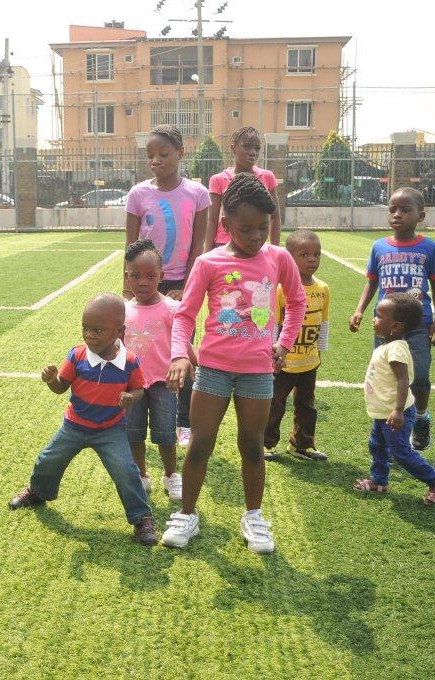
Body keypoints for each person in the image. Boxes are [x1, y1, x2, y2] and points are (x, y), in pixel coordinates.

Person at [161, 173, 306, 553]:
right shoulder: (208, 263)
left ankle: (254, 516)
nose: (257, 236)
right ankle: (187, 514)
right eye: (245, 228)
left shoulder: (279, 258)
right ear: (225, 226)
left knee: (252, 444)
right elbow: (185, 315)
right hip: (213, 371)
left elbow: (296, 302)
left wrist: (284, 343)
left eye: (263, 227)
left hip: (258, 372)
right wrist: (180, 353)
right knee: (200, 443)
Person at [8, 293, 158, 547]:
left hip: (110, 429)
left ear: (119, 331)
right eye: (85, 328)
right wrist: (51, 380)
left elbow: (139, 389)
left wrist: (130, 398)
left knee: (126, 470)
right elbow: (60, 387)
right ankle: (38, 492)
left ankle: (141, 517)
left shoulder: (130, 361)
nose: (89, 335)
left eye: (98, 330)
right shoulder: (77, 355)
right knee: (49, 459)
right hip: (75, 425)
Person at [124, 124, 210, 450]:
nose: (155, 161)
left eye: (163, 154)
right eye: (150, 156)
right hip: (143, 284)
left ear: (180, 153)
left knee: (181, 351)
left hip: (179, 284)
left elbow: (198, 246)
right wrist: (127, 291)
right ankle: (137, 415)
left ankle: (184, 421)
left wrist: (187, 287)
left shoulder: (197, 194)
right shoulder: (138, 194)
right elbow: (130, 247)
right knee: (142, 349)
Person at [349, 187, 435, 450]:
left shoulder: (428, 247)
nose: (397, 214)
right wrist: (359, 310)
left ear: (420, 215)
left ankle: (421, 418)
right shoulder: (378, 247)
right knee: (383, 377)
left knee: (420, 377)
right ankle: (387, 433)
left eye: (405, 210)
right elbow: (371, 282)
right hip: (386, 328)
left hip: (417, 324)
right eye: (392, 209)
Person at [354, 293, 435, 504]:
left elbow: (402, 381)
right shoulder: (385, 345)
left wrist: (398, 410)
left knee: (401, 452)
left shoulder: (396, 349)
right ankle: (379, 481)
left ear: (395, 326)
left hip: (394, 412)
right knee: (377, 445)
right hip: (383, 412)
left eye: (379, 316)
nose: (374, 319)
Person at [122, 239, 186, 502]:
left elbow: (182, 341)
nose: (143, 282)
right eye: (135, 276)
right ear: (127, 278)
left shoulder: (171, 309)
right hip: (132, 385)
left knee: (165, 432)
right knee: (133, 431)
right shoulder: (122, 310)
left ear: (161, 276)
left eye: (150, 276)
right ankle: (141, 474)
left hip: (163, 383)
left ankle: (171, 474)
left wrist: (190, 362)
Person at [264, 229, 330, 462]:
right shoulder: (281, 289)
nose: (312, 259)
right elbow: (275, 323)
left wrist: (319, 353)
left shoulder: (322, 289)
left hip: (309, 361)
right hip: (283, 362)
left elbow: (323, 323)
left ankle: (301, 444)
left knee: (307, 405)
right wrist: (272, 354)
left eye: (316, 254)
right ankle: (266, 443)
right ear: (289, 259)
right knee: (275, 403)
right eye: (304, 255)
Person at [205, 126, 282, 251]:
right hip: (223, 246)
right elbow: (212, 220)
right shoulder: (218, 180)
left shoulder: (267, 177)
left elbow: (275, 216)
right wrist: (207, 252)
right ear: (233, 148)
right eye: (247, 146)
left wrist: (275, 250)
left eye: (257, 148)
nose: (253, 152)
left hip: (254, 244)